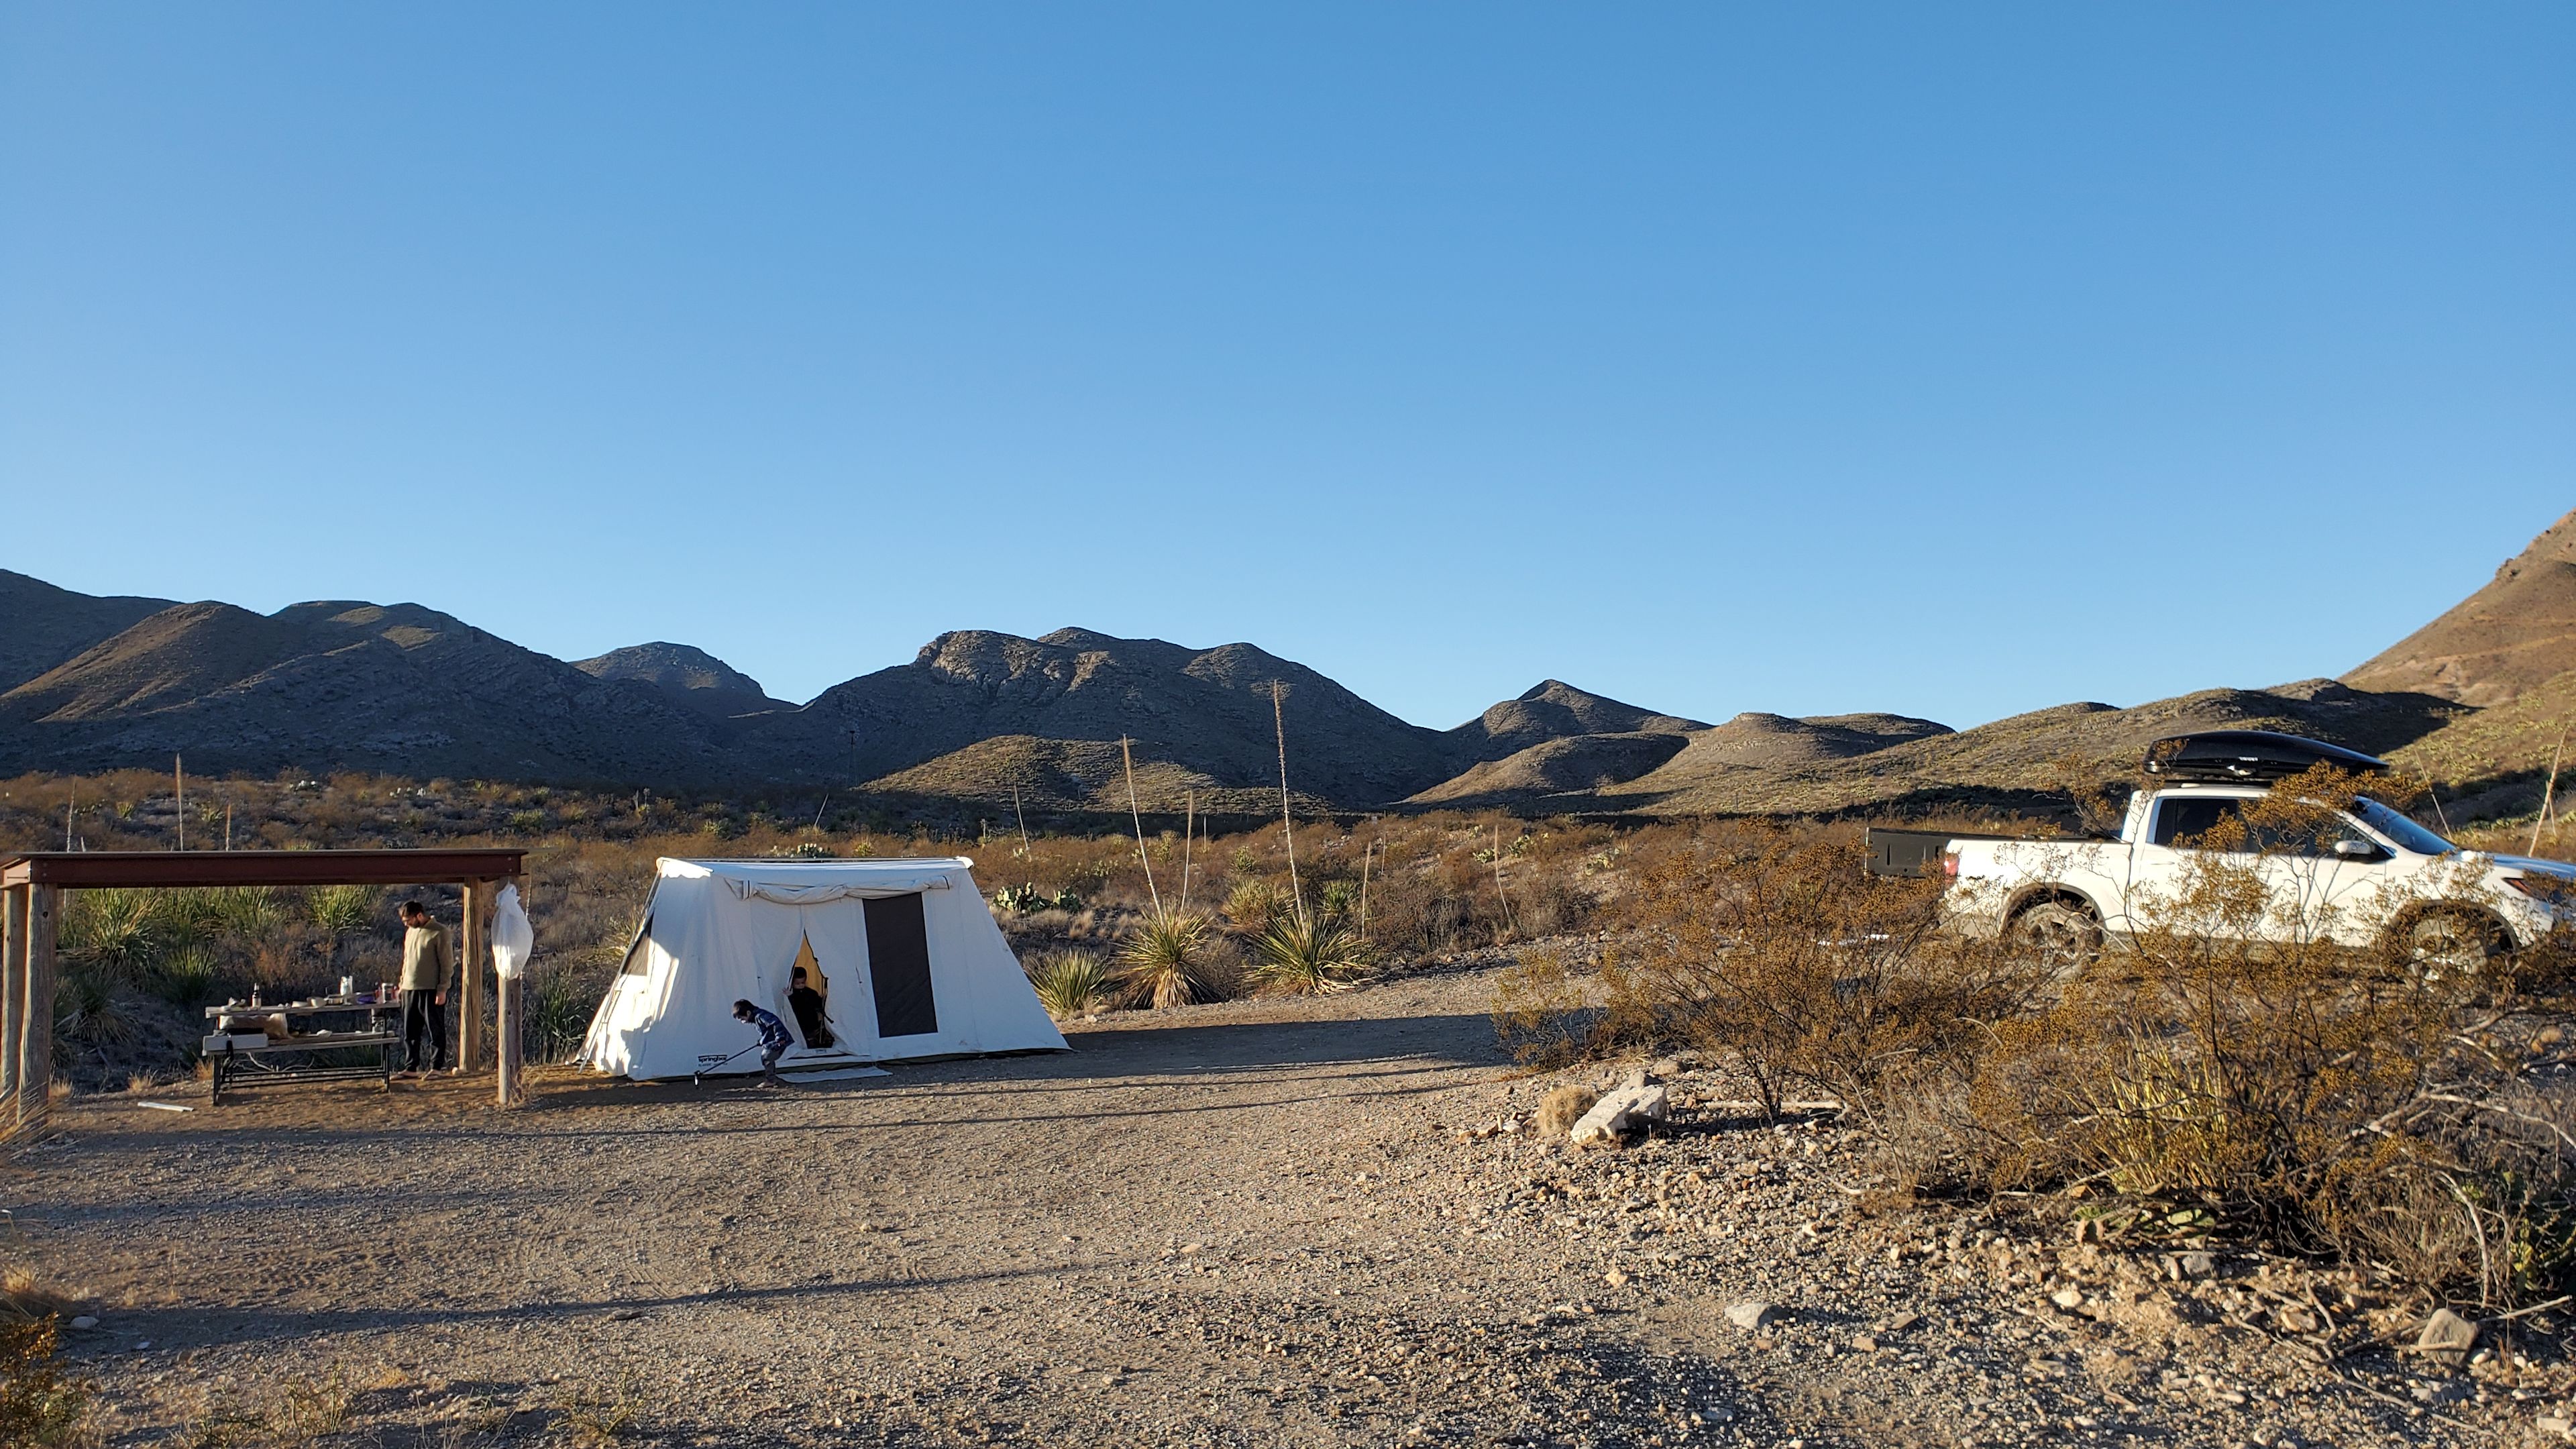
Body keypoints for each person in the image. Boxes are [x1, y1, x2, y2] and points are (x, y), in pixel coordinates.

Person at [396, 900, 452, 1078]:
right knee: (410, 1031)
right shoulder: (410, 933)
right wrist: (401, 984)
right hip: (409, 988)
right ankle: (411, 1067)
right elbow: (407, 961)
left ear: (419, 915)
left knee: (435, 1030)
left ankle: (436, 1067)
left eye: (408, 920)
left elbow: (447, 964)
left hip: (430, 989)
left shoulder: (440, 932)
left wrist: (442, 989)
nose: (406, 924)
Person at [731, 998, 792, 1087]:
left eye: (742, 1018)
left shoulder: (761, 1016)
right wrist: (762, 1041)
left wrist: (780, 1037)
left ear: (748, 1013)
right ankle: (771, 1079)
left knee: (766, 1058)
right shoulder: (756, 1017)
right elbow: (767, 1032)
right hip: (773, 1042)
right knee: (767, 1058)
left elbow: (775, 1023)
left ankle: (771, 1081)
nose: (742, 1021)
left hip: (779, 1041)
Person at [786, 966, 836, 1049]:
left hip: (811, 1021)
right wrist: (790, 996)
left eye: (803, 983)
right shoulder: (792, 994)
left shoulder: (811, 993)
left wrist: (823, 999)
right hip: (799, 1022)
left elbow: (818, 1003)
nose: (801, 985)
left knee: (812, 1037)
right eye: (797, 984)